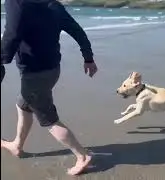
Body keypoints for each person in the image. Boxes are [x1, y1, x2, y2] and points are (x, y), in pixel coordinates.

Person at [1, 0, 98, 175]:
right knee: (23, 104)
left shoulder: (16, 2)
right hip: (52, 69)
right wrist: (88, 58)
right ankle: (17, 145)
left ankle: (82, 156)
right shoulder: (53, 4)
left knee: (48, 119)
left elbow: (12, 33)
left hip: (34, 73)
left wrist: (2, 58)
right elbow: (77, 31)